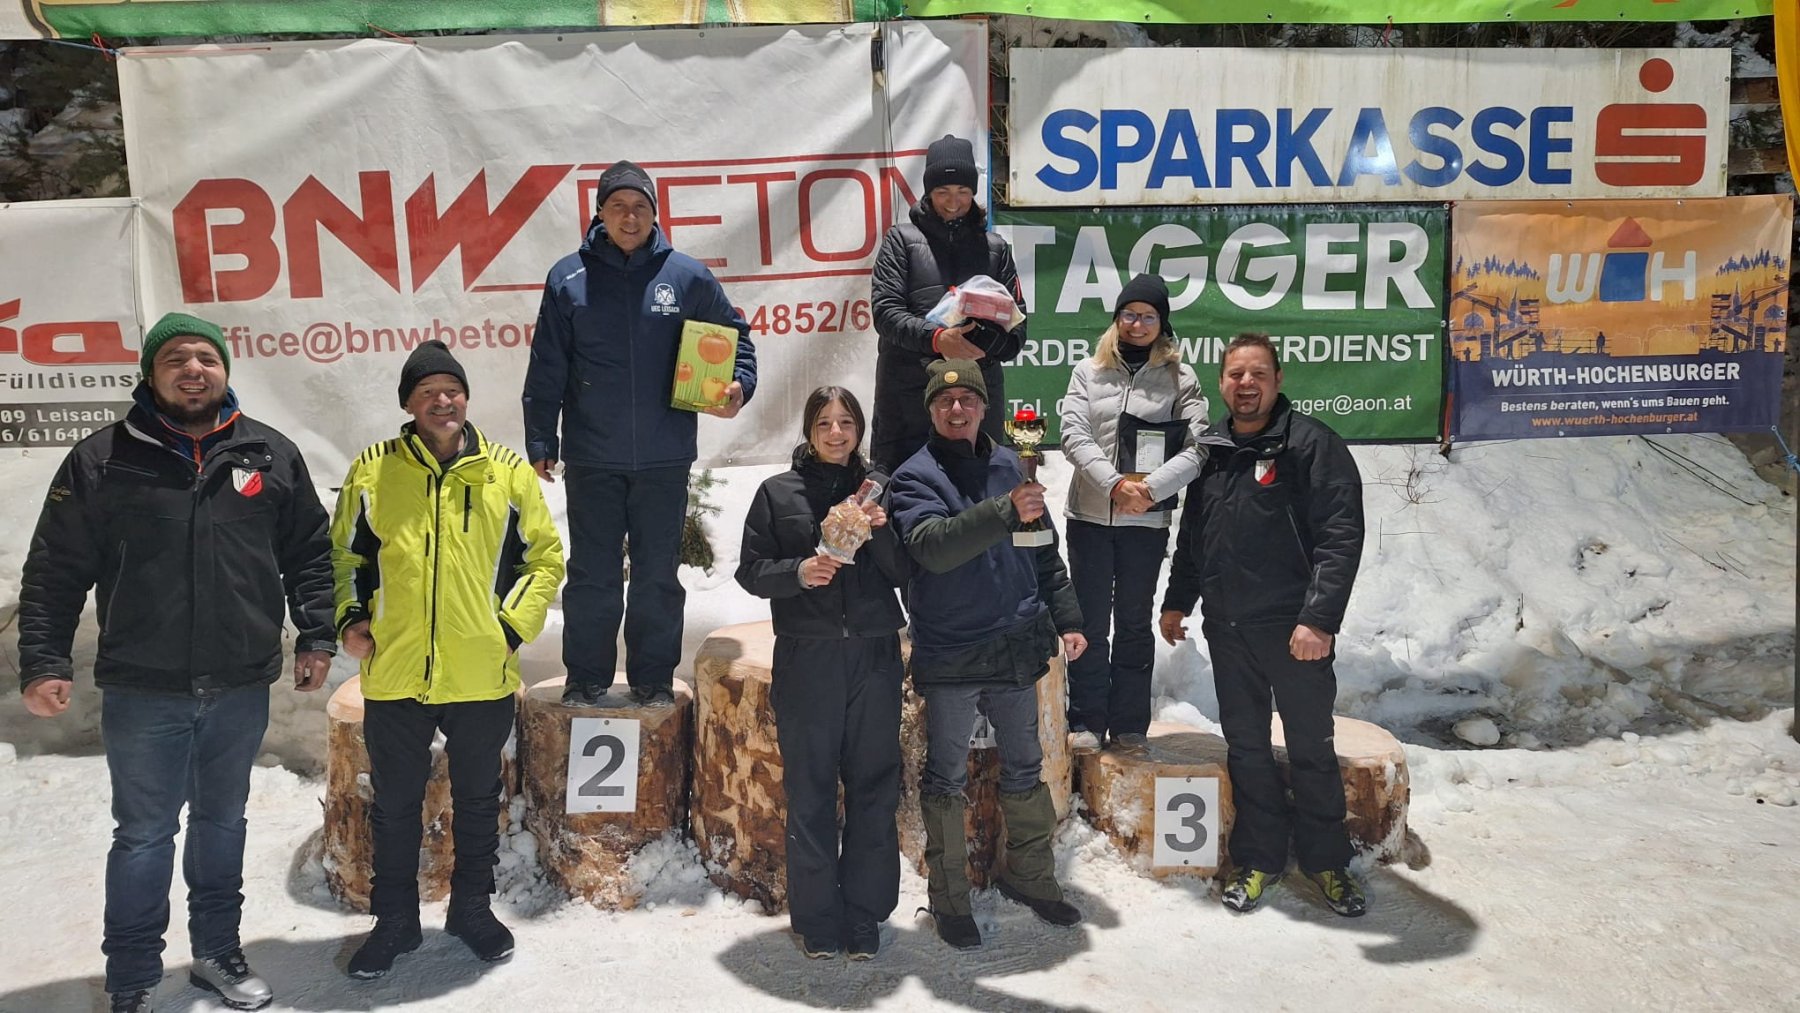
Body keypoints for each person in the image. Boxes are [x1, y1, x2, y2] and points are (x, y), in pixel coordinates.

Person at [16, 311, 336, 1013]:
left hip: (239, 682)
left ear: (224, 370)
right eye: (176, 359)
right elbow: (55, 567)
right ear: (150, 375)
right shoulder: (102, 459)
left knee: (223, 824)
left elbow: (310, 552)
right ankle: (132, 976)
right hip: (143, 687)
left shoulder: (269, 454)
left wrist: (317, 635)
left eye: (206, 358)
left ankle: (217, 952)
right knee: (143, 836)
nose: (193, 369)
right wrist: (43, 659)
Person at [332, 340, 564, 978]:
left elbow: (545, 559)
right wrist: (350, 617)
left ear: (466, 398)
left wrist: (509, 629)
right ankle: (395, 922)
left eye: (452, 389)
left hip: (480, 672)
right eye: (427, 391)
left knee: (478, 799)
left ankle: (471, 910)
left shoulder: (506, 471)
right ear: (408, 404)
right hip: (396, 670)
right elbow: (343, 556)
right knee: (394, 805)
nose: (443, 400)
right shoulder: (373, 470)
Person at [523, 159, 755, 707]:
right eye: (619, 207)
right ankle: (586, 679)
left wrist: (738, 385)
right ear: (600, 214)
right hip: (592, 456)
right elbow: (547, 364)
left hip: (664, 456)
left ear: (655, 214)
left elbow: (735, 340)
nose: (630, 217)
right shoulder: (568, 278)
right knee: (592, 576)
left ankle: (653, 680)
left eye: (640, 207)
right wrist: (541, 439)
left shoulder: (687, 276)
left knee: (657, 577)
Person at [1158, 333, 1368, 918]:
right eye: (1235, 374)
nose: (1245, 384)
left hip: (1295, 631)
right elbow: (1195, 535)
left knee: (1310, 748)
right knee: (1247, 749)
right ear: (1222, 383)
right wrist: (1178, 601)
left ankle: (1328, 862)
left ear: (1278, 380)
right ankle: (1260, 858)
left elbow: (1340, 537)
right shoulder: (1213, 450)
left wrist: (1318, 619)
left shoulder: (1313, 446)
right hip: (1229, 629)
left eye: (1257, 373)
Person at [888, 359, 1087, 950]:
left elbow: (1043, 550)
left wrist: (1068, 617)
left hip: (1015, 642)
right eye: (945, 403)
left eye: (968, 401)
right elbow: (932, 548)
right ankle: (949, 900)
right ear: (931, 410)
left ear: (983, 407)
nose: (957, 410)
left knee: (1026, 766)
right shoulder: (913, 477)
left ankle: (1032, 877)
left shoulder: (1009, 464)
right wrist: (1005, 510)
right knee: (946, 777)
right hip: (952, 647)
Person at [735, 387, 909, 960]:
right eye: (825, 423)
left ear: (859, 429)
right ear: (809, 431)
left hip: (874, 654)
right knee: (809, 789)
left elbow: (906, 573)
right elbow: (750, 571)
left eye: (846, 422)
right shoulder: (777, 492)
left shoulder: (881, 492)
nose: (837, 433)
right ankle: (816, 918)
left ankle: (864, 914)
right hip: (808, 656)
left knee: (873, 786)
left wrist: (881, 531)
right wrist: (798, 572)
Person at [1059, 274, 1222, 755]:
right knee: (1090, 624)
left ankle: (1130, 724)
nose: (1137, 323)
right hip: (1090, 516)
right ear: (1116, 319)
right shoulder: (1088, 372)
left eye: (1148, 316)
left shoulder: (1180, 378)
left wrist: (1149, 490)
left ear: (1162, 323)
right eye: (1129, 314)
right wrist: (1113, 485)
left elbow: (1198, 447)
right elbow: (1073, 434)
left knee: (1133, 622)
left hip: (1146, 523)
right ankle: (1086, 719)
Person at [870, 134, 1027, 473]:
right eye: (943, 191)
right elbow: (885, 313)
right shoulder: (900, 241)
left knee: (980, 498)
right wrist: (938, 339)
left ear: (974, 193)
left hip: (976, 403)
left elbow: (1017, 331)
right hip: (908, 402)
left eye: (963, 192)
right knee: (903, 494)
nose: (953, 202)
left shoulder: (996, 249)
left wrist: (981, 343)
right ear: (928, 192)